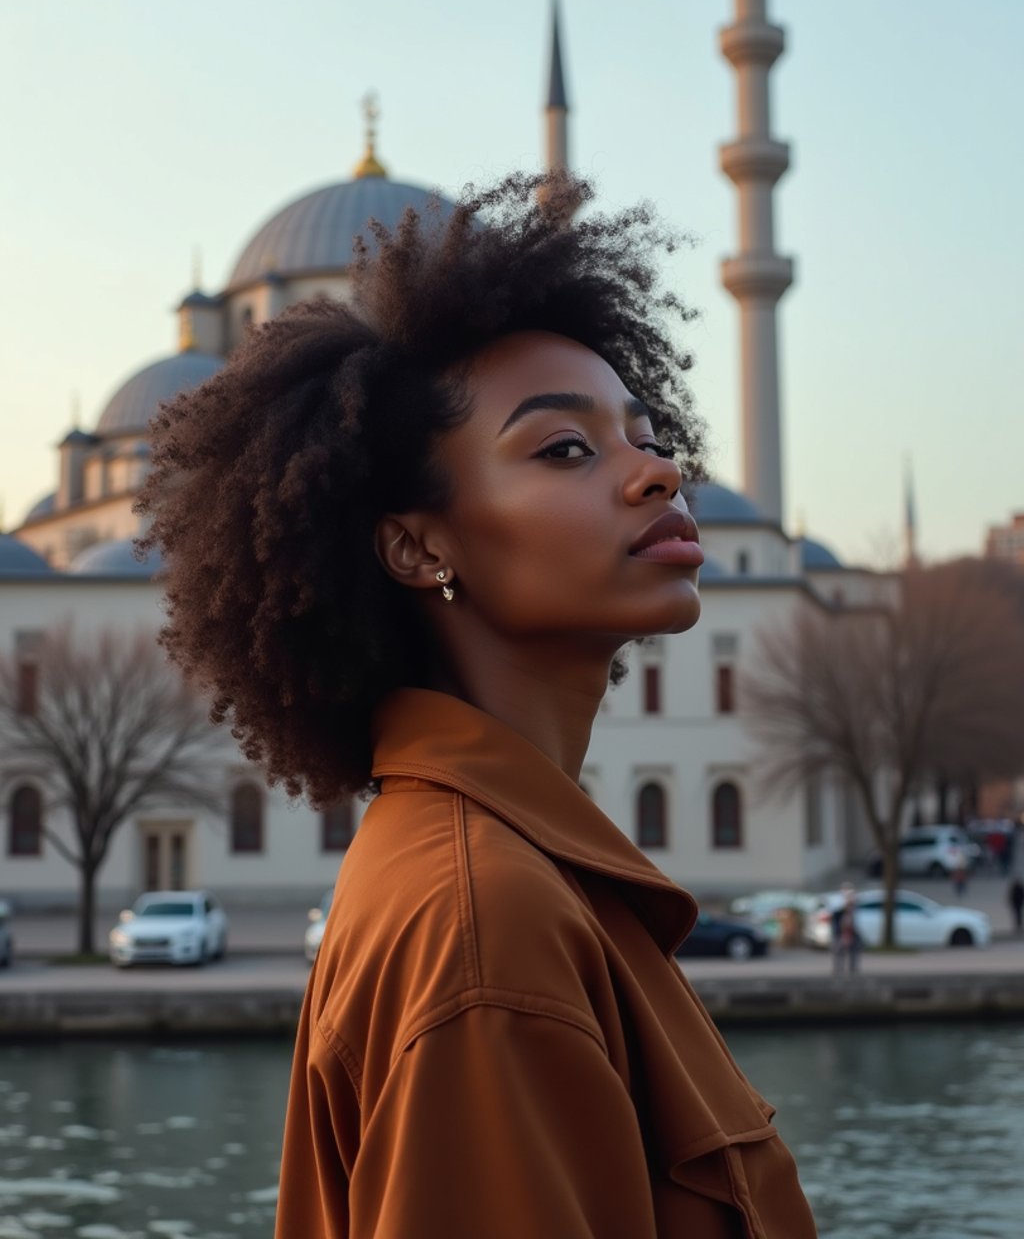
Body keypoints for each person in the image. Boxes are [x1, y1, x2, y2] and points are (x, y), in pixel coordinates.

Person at [138, 173, 817, 1239]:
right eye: (564, 449)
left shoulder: (491, 876)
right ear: (418, 544)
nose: (656, 472)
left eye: (641, 433)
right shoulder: (486, 928)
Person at [831, 884, 862, 977]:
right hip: (841, 932)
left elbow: (855, 920)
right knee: (839, 949)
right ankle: (838, 969)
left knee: (854, 949)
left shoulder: (854, 907)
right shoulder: (839, 908)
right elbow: (836, 919)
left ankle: (852, 969)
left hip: (852, 932)